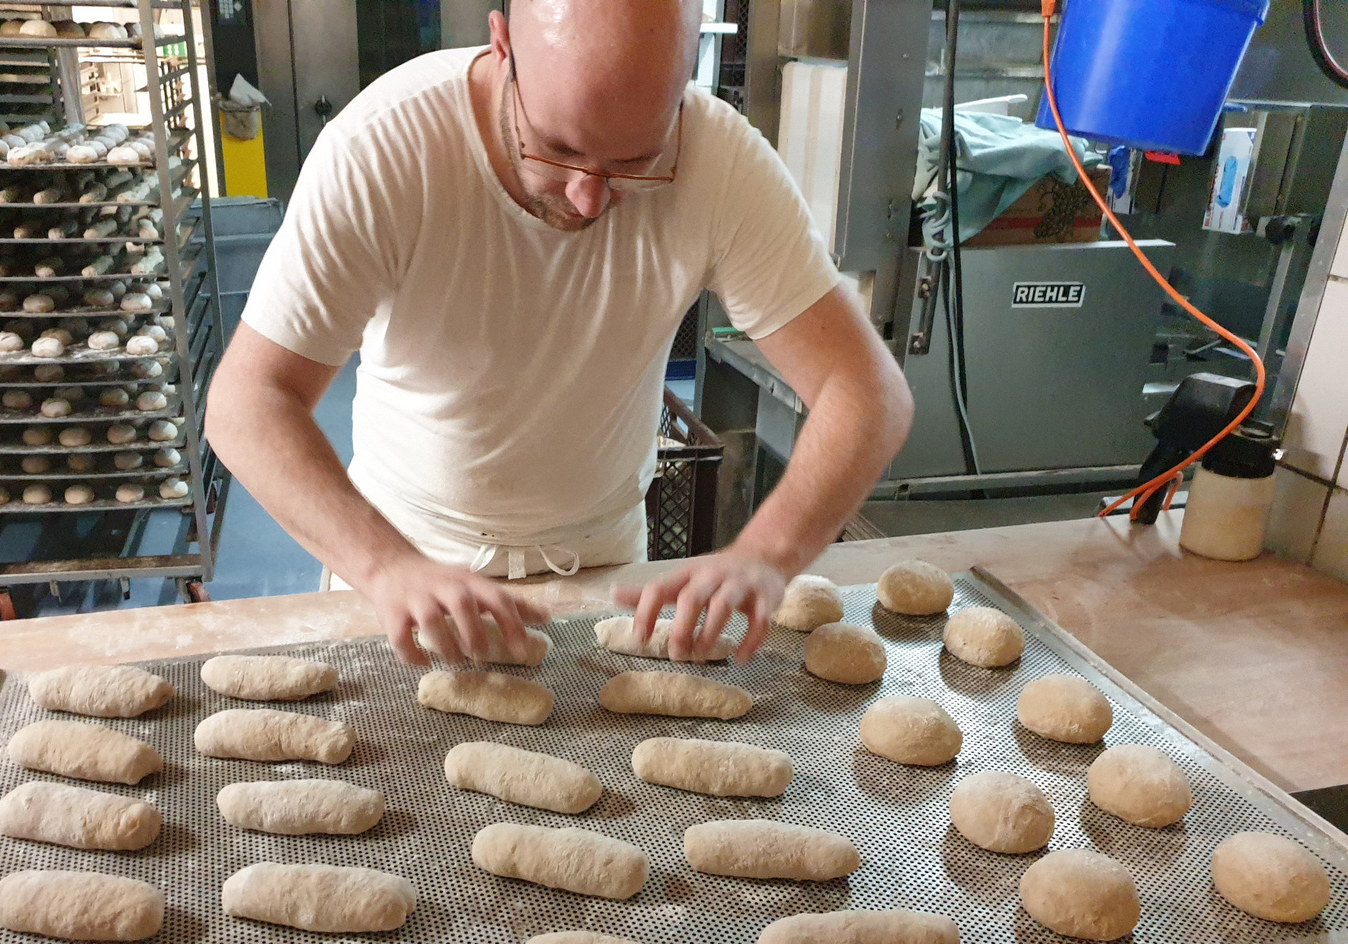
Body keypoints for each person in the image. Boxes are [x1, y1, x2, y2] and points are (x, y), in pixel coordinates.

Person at [205, 0, 913, 667]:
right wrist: (386, 566)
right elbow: (248, 402)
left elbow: (867, 390)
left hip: (605, 573)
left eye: (635, 163)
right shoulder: (385, 148)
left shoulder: (719, 160)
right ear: (503, 45)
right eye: (558, 149)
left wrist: (767, 552)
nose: (590, 197)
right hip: (406, 567)